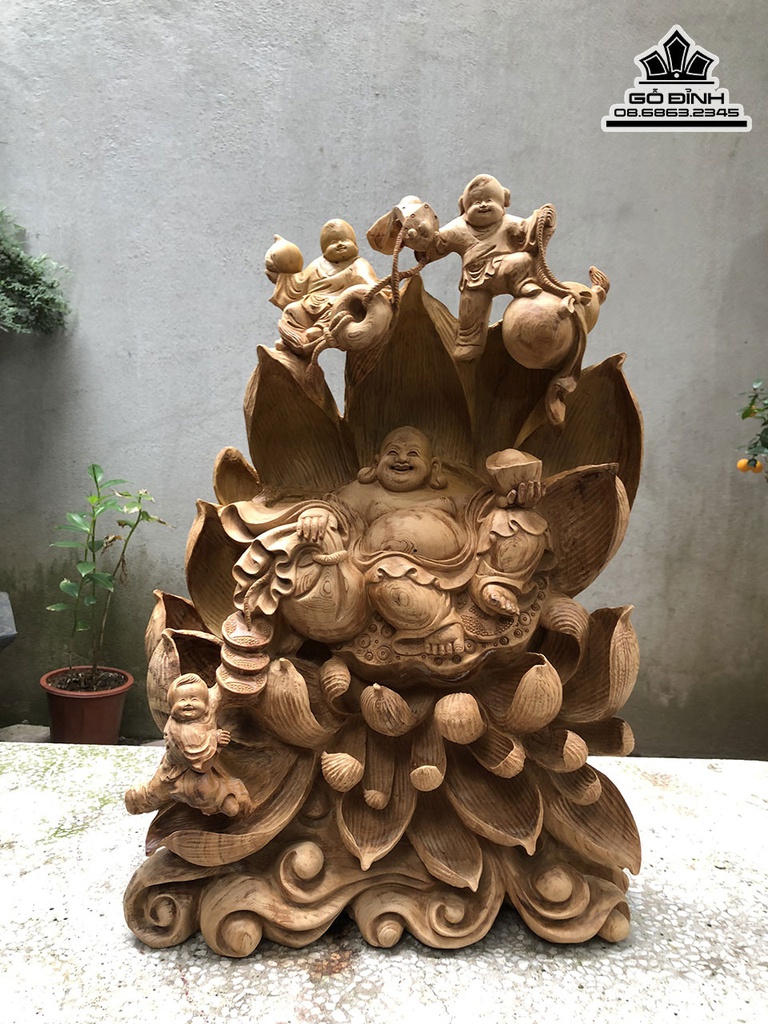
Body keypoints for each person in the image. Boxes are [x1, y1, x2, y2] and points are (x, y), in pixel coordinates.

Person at [266, 219, 379, 356]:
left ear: (354, 243)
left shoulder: (358, 264)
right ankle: (293, 340)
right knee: (292, 310)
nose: (339, 244)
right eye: (333, 242)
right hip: (311, 302)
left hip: (337, 303)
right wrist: (282, 277)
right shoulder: (318, 264)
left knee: (339, 309)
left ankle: (319, 330)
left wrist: (383, 292)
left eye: (344, 240)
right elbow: (300, 281)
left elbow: (370, 284)